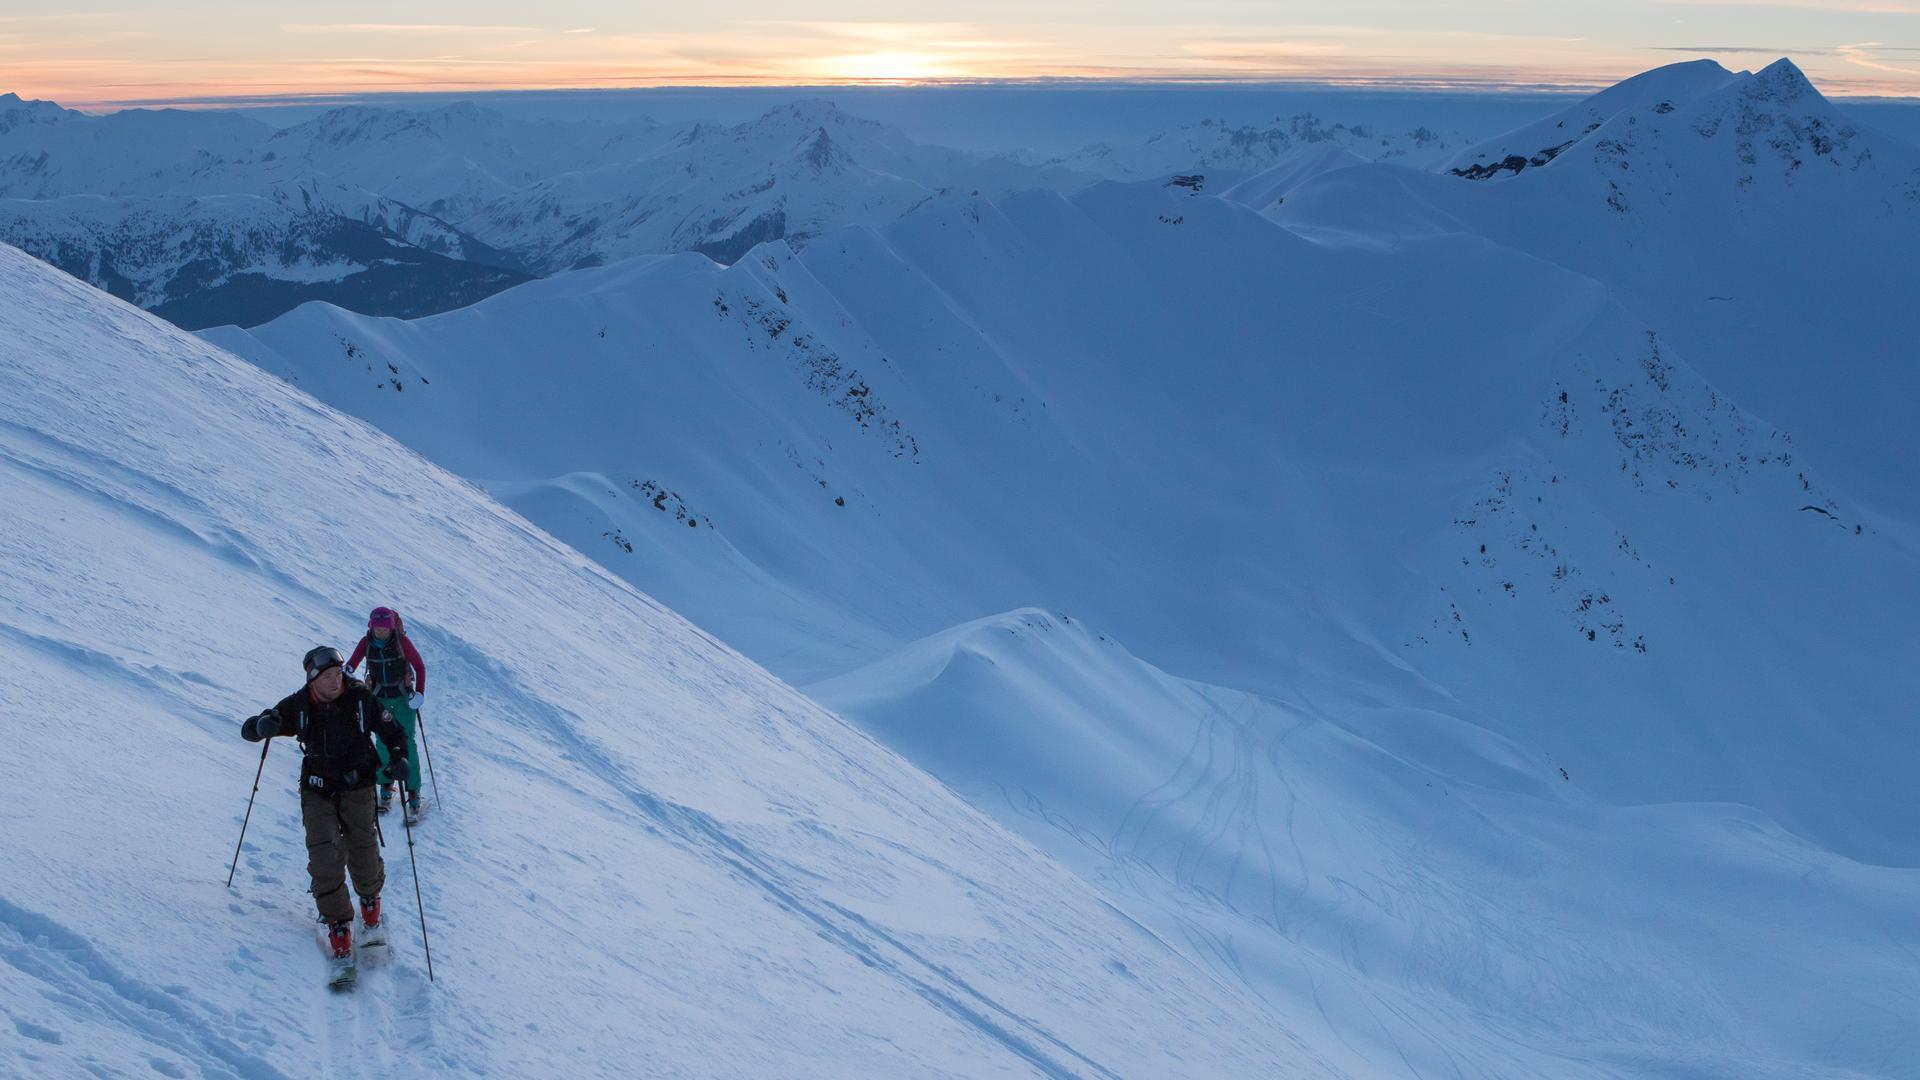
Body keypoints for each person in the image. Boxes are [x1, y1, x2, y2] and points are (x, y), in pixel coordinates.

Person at [241, 645, 409, 959]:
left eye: (338, 674)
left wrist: (399, 758)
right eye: (329, 676)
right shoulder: (299, 704)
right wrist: (261, 726)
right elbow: (254, 728)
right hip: (317, 790)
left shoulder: (360, 700)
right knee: (324, 853)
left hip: (358, 786)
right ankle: (338, 922)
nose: (336, 681)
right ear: (312, 679)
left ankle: (370, 901)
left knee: (363, 848)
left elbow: (393, 732)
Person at [346, 607, 427, 820]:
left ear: (392, 627)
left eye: (386, 628)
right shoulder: (366, 643)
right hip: (379, 698)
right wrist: (346, 674)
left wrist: (419, 692)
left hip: (402, 698)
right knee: (382, 742)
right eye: (378, 628)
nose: (382, 632)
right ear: (371, 627)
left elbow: (419, 666)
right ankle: (386, 784)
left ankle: (413, 791)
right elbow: (352, 663)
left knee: (407, 742)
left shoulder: (402, 642)